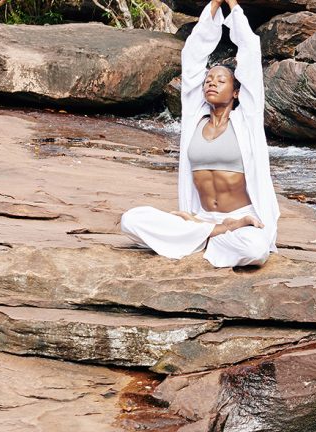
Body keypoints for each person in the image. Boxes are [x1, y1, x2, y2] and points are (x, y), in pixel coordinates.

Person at [119, 0, 279, 268]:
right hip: (200, 217)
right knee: (131, 220)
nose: (211, 83)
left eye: (220, 80)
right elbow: (192, 57)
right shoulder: (194, 118)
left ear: (237, 91)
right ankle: (211, 233)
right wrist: (213, 7)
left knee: (256, 249)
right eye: (208, 80)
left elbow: (250, 54)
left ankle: (199, 237)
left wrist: (233, 7)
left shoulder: (247, 120)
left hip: (243, 218)